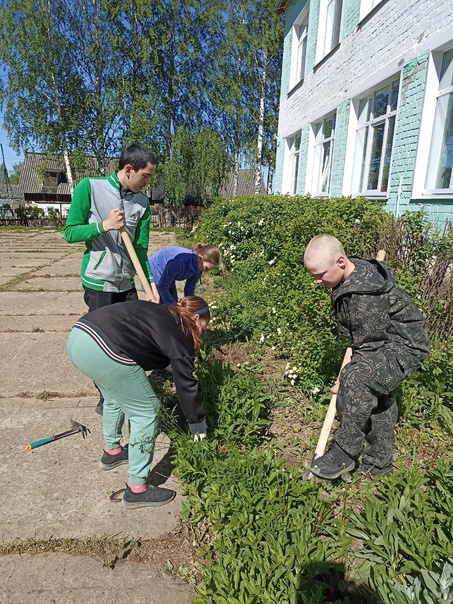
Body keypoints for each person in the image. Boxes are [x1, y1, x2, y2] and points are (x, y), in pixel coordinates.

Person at [303, 235, 429, 479]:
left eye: (320, 274)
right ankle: (378, 464)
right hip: (386, 341)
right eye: (314, 276)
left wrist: (347, 379)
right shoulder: (352, 274)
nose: (317, 281)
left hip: (405, 346)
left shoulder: (365, 299)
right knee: (377, 396)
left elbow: (368, 348)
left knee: (358, 379)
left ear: (340, 261)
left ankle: (343, 452)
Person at [67, 295, 210, 509]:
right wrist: (198, 425)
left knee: (114, 396)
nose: (202, 332)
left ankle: (112, 452)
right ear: (197, 318)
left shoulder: (163, 313)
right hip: (103, 348)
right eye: (204, 327)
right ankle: (136, 489)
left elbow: (151, 348)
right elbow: (186, 384)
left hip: (80, 337)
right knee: (147, 412)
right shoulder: (180, 331)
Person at [64, 143, 160, 415]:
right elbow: (70, 232)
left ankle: (124, 389)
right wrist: (103, 226)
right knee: (102, 342)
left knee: (129, 339)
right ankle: (108, 396)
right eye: (146, 176)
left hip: (127, 283)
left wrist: (149, 284)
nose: (148, 183)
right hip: (98, 281)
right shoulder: (90, 188)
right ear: (129, 169)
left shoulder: (141, 203)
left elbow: (140, 248)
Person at [149, 244, 221, 305]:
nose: (206, 271)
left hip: (169, 274)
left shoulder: (199, 268)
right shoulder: (179, 262)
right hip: (155, 269)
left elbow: (189, 289)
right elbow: (162, 286)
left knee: (173, 302)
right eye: (207, 268)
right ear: (200, 258)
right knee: (160, 306)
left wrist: (191, 306)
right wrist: (173, 305)